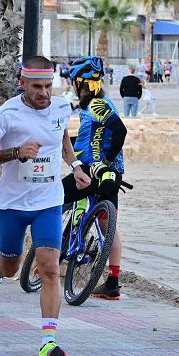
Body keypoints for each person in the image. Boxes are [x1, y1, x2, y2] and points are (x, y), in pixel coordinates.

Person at [0, 55, 86, 356]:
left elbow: (61, 137)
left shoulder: (62, 108)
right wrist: (15, 152)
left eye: (48, 86)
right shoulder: (8, 114)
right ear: (22, 83)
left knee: (49, 269)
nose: (44, 93)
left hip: (48, 201)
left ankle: (48, 343)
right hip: (13, 204)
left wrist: (75, 166)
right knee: (11, 267)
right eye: (37, 86)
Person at [64, 55, 128, 300]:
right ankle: (112, 282)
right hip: (112, 175)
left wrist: (107, 161)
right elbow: (87, 140)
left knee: (55, 197)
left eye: (74, 82)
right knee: (107, 225)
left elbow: (120, 130)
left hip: (95, 171)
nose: (73, 87)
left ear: (81, 83)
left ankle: (51, 254)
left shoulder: (97, 105)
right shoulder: (97, 105)